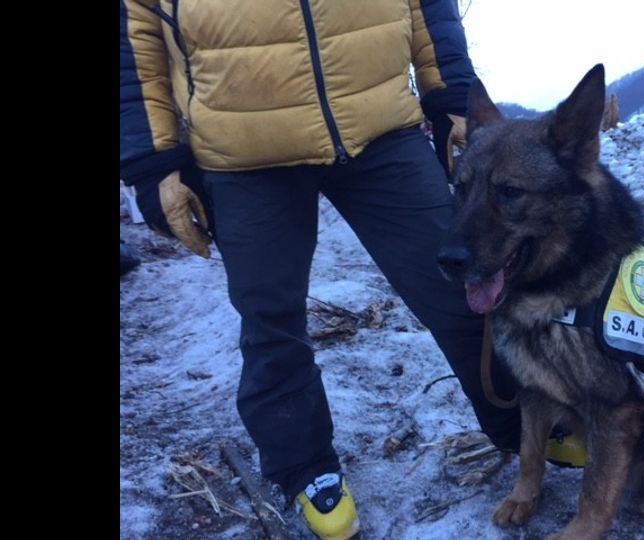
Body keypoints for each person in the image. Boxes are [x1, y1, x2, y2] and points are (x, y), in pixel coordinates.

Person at [120, 1, 583, 538]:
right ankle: (306, 468)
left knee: (470, 284)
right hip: (242, 149)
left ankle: (521, 426)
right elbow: (136, 36)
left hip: (380, 126)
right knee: (270, 321)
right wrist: (152, 161)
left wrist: (450, 94)